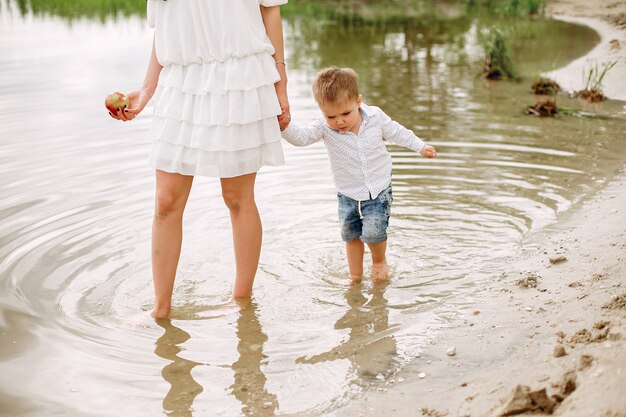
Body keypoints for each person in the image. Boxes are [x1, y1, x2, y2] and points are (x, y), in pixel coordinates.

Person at [108, 0, 291, 318]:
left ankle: (242, 303)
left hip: (240, 75)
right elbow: (167, 26)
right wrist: (146, 90)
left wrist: (281, 82)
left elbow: (270, 9)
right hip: (181, 81)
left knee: (236, 198)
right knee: (165, 201)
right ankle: (160, 309)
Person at [280, 67, 437, 283]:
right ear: (321, 111)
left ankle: (379, 261)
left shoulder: (375, 118)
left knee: (374, 232)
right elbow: (301, 138)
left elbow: (397, 133)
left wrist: (420, 146)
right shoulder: (323, 128)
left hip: (378, 188)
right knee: (350, 234)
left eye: (345, 113)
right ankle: (355, 275)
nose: (339, 121)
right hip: (347, 192)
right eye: (331, 116)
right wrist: (284, 126)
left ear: (358, 102)